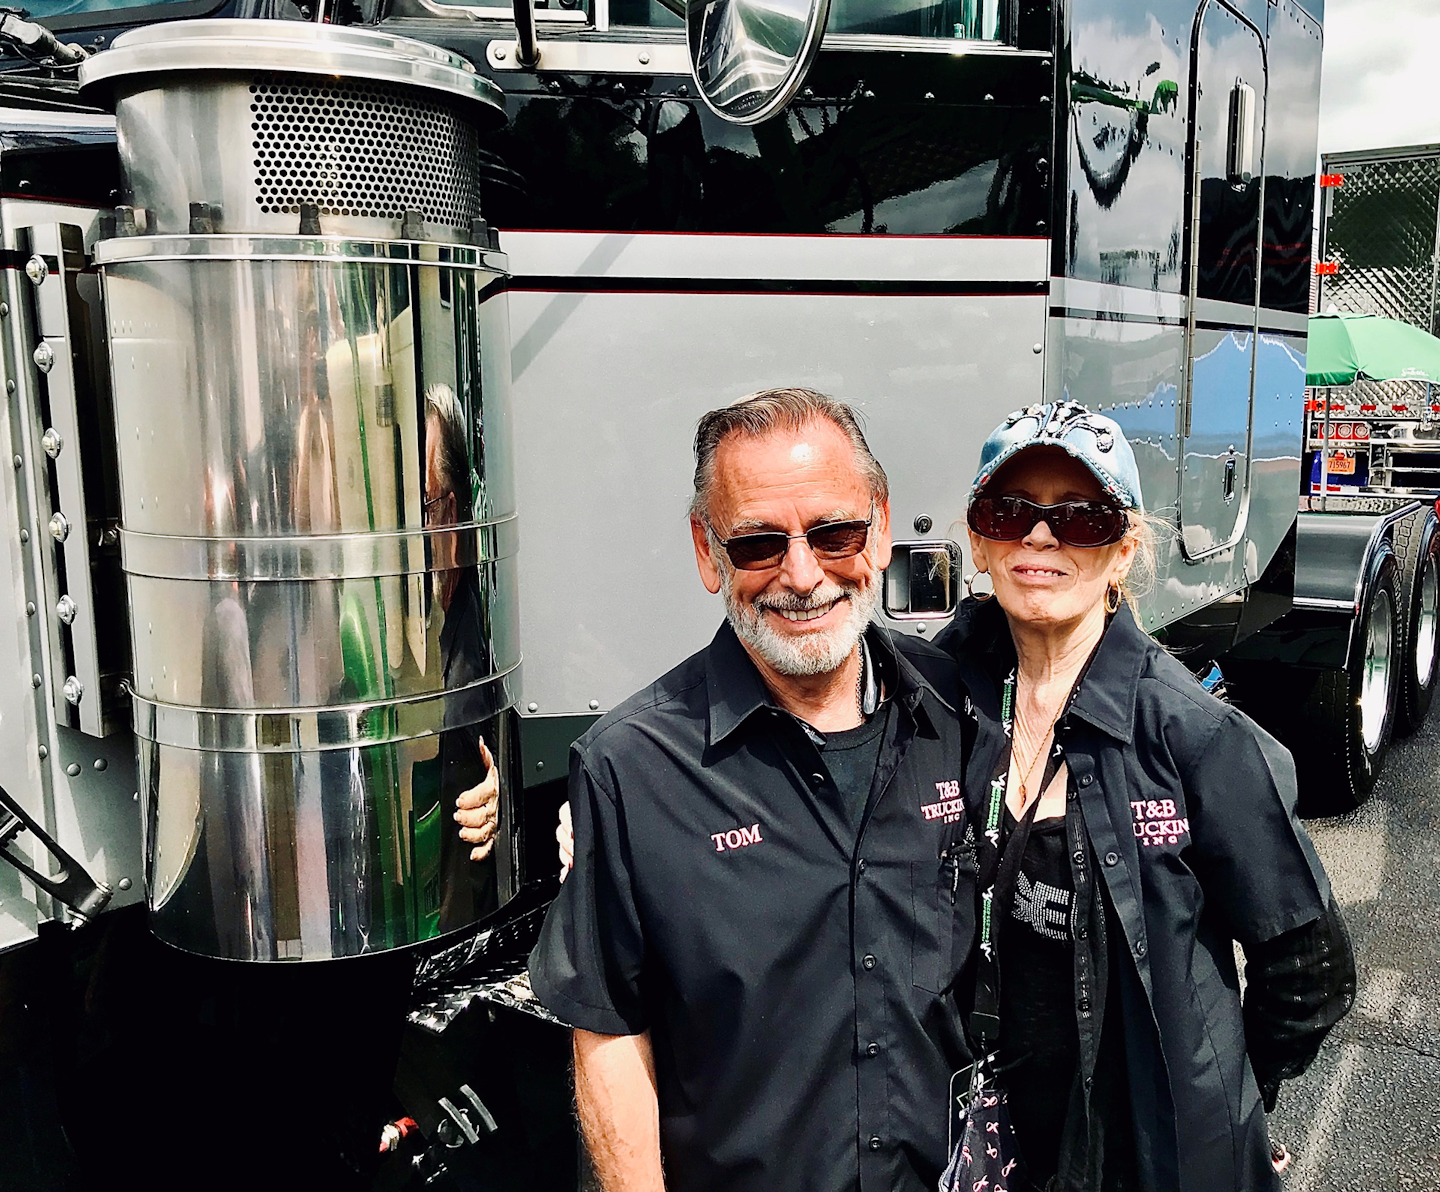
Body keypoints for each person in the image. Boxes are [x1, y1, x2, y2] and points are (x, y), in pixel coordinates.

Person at [523, 388, 978, 1192]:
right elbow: (609, 1034)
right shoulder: (631, 769)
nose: (802, 576)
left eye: (834, 533)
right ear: (707, 552)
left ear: (878, 527)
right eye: (758, 545)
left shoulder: (958, 710)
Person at [934, 401, 1356, 1192]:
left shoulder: (1196, 736)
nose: (1040, 537)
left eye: (1082, 518)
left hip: (1140, 1154)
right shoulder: (941, 694)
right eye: (1010, 510)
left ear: (1126, 550)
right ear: (980, 539)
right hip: (985, 1131)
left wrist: (1229, 1104)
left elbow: (1309, 968)